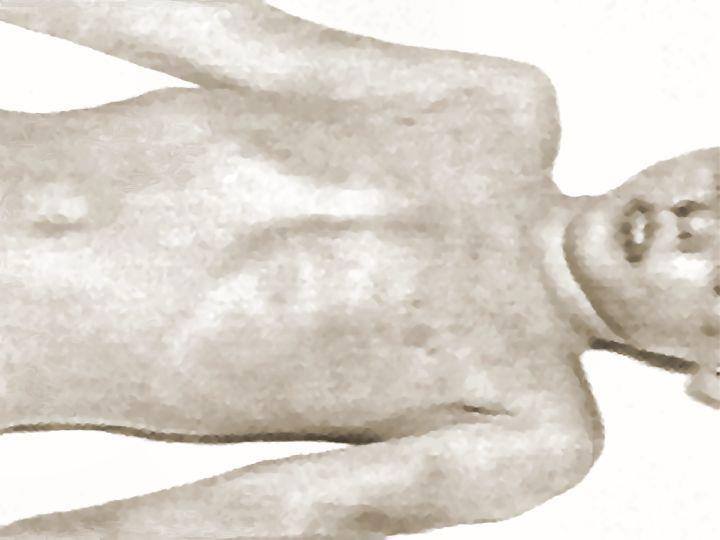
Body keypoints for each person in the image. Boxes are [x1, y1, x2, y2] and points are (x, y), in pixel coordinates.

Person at [0, 1, 717, 538]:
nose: (697, 225)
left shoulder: (533, 427)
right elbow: (200, 26)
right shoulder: (490, 108)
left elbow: (266, 517)